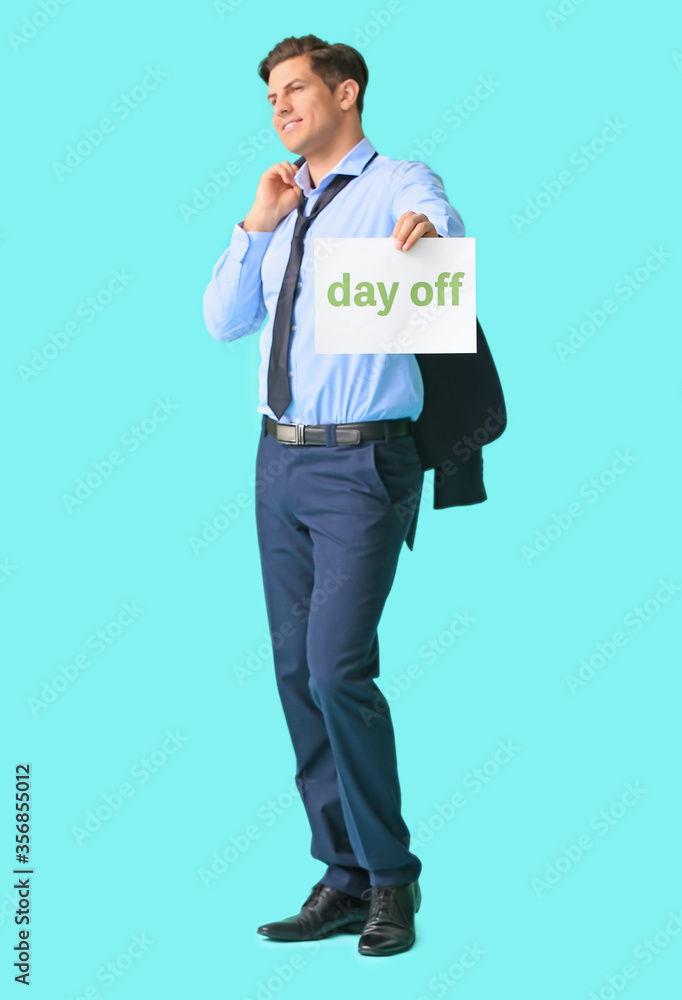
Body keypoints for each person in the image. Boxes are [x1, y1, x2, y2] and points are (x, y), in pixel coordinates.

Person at [203, 34, 468, 958]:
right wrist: (256, 222)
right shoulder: (289, 206)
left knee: (335, 669)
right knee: (292, 673)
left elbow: (434, 215)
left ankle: (392, 878)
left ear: (346, 92)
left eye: (296, 89)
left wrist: (427, 232)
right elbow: (221, 321)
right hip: (279, 463)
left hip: (362, 466)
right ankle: (342, 875)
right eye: (271, 94)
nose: (280, 106)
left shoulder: (396, 181)